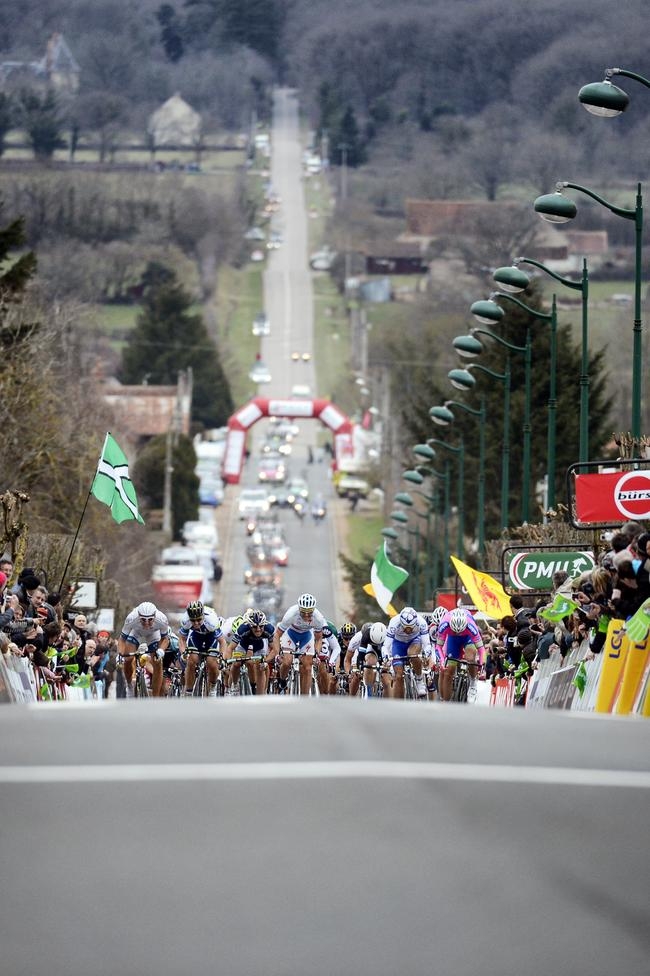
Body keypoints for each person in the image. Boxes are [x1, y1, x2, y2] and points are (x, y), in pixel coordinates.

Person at [270, 593, 325, 695]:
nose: (306, 615)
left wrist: (316, 653)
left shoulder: (318, 618)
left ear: (313, 610)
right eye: (303, 612)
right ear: (299, 609)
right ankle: (282, 682)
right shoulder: (291, 614)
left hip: (306, 636)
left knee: (308, 667)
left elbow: (318, 639)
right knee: (287, 662)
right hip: (290, 634)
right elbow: (277, 635)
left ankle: (304, 698)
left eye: (309, 613)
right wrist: (278, 654)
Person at [118, 601, 170, 698]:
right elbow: (122, 639)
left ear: (154, 616)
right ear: (138, 616)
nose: (146, 623)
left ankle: (155, 696)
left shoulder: (162, 619)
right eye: (143, 620)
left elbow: (165, 639)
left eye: (150, 620)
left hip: (153, 634)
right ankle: (129, 685)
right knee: (128, 659)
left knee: (157, 662)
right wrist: (121, 654)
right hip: (136, 633)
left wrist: (161, 651)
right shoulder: (131, 618)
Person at [435, 607, 485, 703]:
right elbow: (438, 647)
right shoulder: (444, 624)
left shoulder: (471, 625)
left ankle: (473, 683)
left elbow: (481, 649)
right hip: (452, 639)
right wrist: (442, 661)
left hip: (468, 637)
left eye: (460, 631)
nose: (458, 633)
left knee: (470, 658)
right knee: (449, 671)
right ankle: (446, 702)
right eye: (456, 631)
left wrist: (482, 665)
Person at [178, 600, 225, 697]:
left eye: (199, 620)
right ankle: (189, 691)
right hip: (196, 637)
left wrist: (221, 657)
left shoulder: (211, 620)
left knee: (211, 662)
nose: (196, 623)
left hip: (210, 637)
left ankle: (212, 687)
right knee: (191, 660)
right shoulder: (185, 620)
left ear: (203, 616)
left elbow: (222, 641)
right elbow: (182, 639)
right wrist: (183, 653)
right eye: (193, 620)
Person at [383, 607, 429, 699]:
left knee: (412, 654)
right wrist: (386, 656)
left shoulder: (421, 622)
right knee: (399, 676)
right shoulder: (394, 622)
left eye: (410, 628)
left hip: (414, 641)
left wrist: (426, 653)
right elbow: (385, 646)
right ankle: (399, 705)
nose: (408, 631)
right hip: (398, 644)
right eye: (405, 628)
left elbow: (427, 644)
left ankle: (419, 680)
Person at [226, 609, 273, 695]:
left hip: (259, 646)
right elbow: (230, 648)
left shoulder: (269, 628)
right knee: (236, 663)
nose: (258, 629)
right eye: (254, 627)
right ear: (250, 625)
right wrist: (227, 661)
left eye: (261, 626)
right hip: (243, 646)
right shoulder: (242, 629)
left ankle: (260, 693)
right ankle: (234, 686)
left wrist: (266, 661)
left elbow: (275, 649)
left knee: (261, 667)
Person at [345, 621, 390, 697]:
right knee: (356, 674)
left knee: (381, 667)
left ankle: (374, 689)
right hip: (361, 650)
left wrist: (385, 665)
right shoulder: (357, 638)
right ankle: (351, 696)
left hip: (376, 649)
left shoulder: (385, 636)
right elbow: (349, 659)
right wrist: (350, 672)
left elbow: (385, 653)